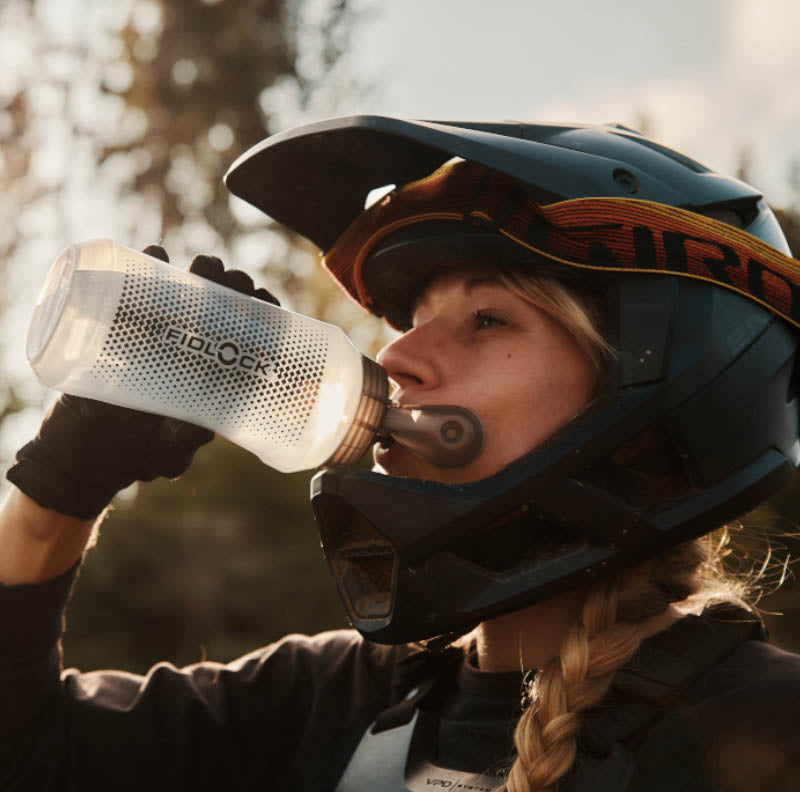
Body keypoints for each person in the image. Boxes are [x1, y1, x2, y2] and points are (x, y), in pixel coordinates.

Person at [1, 116, 800, 792]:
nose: (396, 357)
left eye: (487, 320)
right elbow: (30, 755)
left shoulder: (771, 729)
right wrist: (56, 495)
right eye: (412, 320)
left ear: (650, 398)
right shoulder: (334, 696)